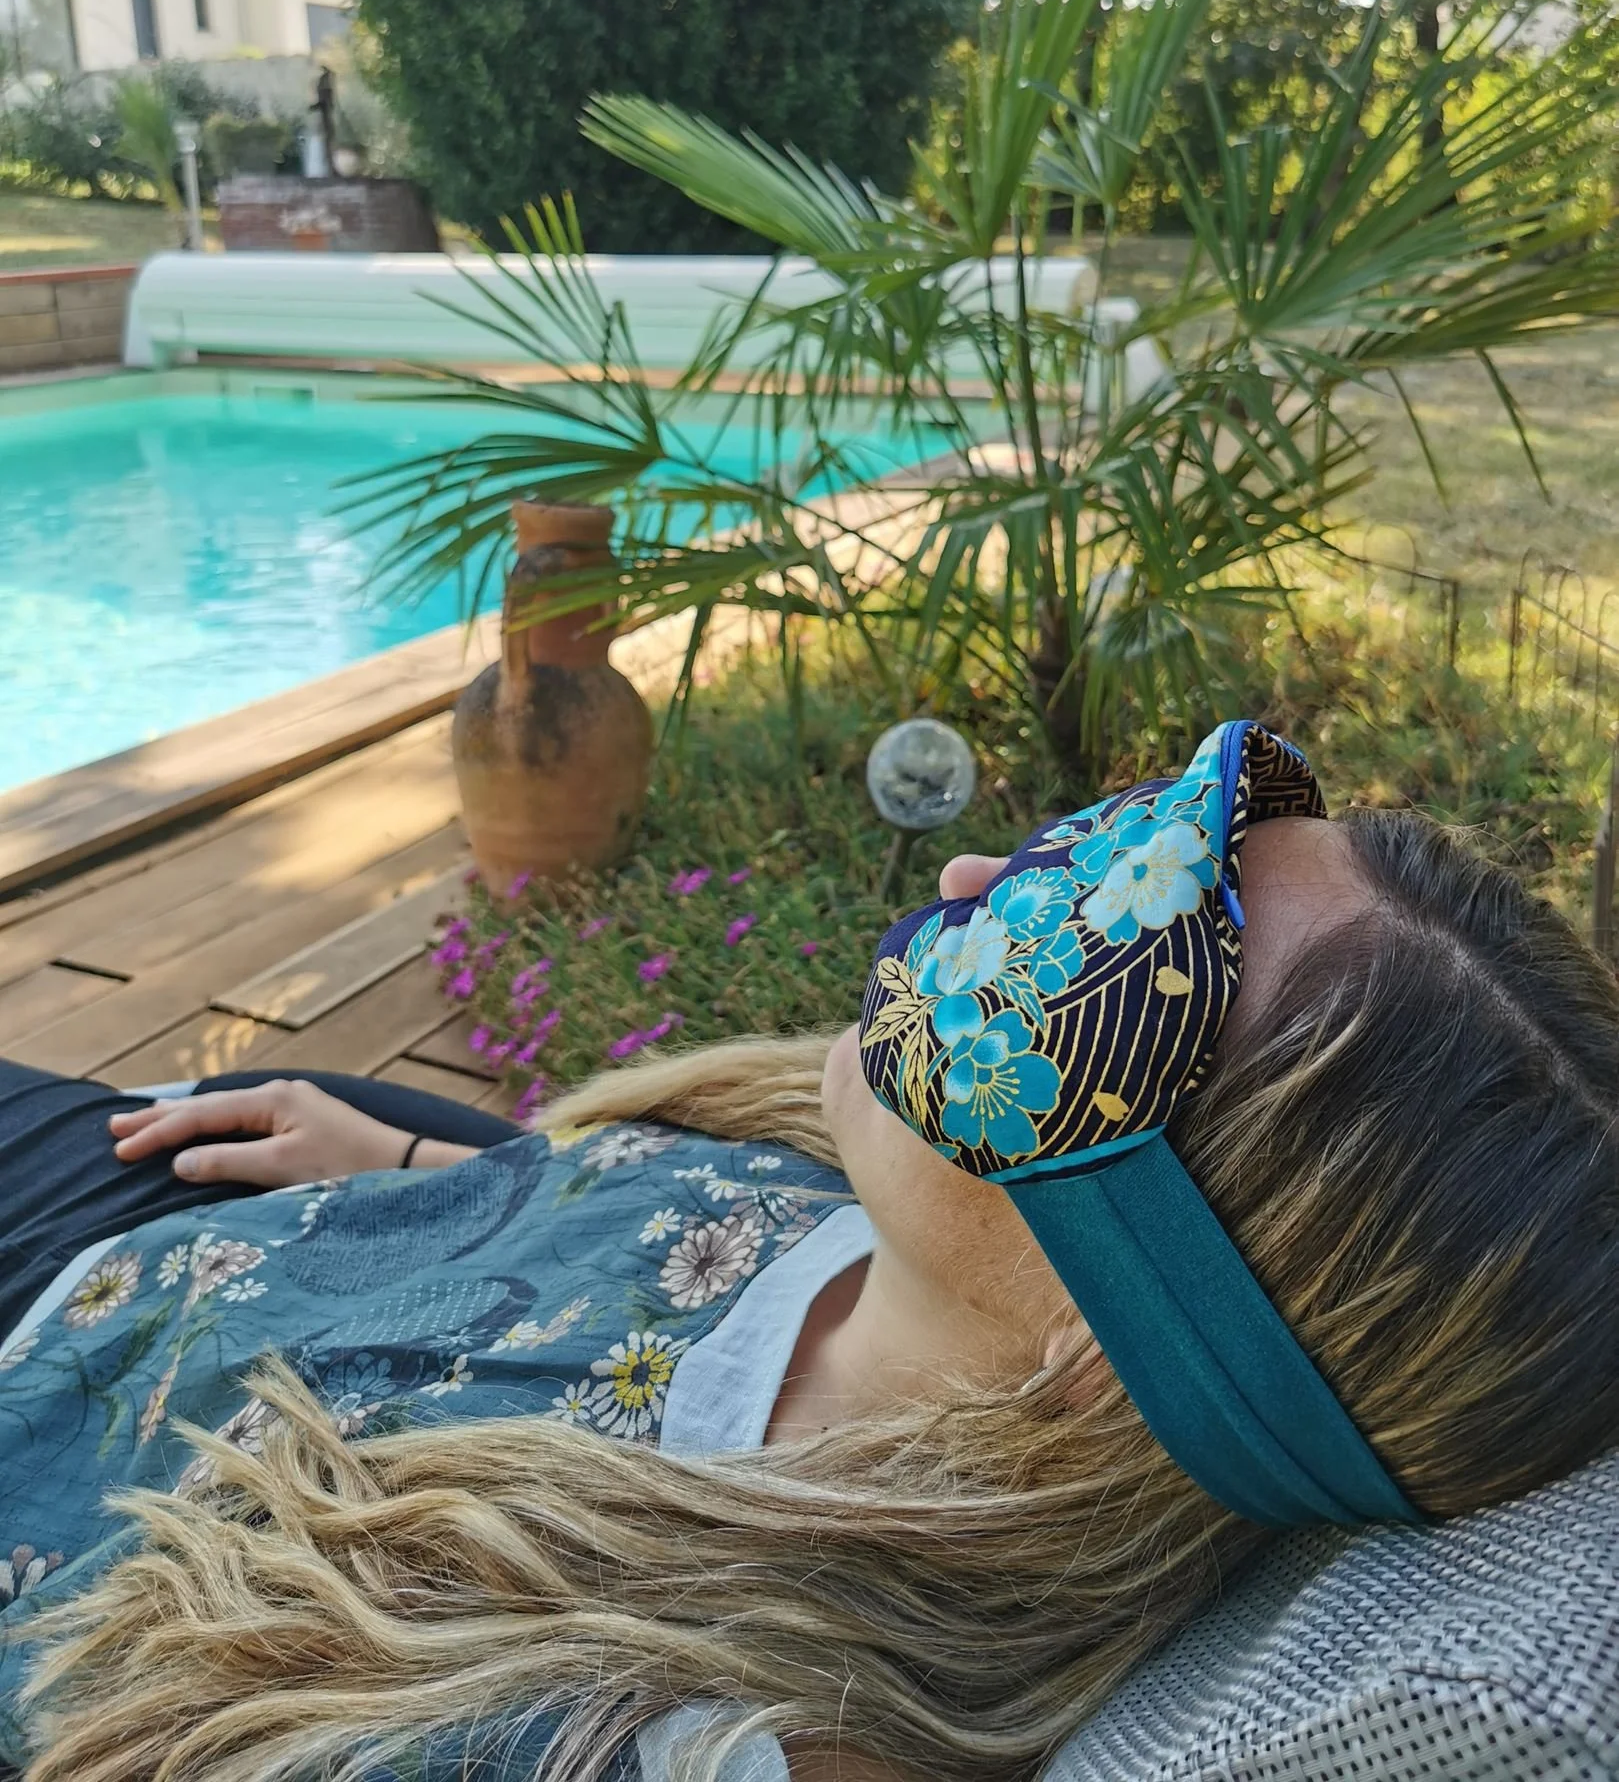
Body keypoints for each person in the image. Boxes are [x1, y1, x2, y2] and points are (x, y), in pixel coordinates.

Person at [0, 720, 1615, 1782]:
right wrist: (432, 1168)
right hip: (231, 1215)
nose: (974, 884)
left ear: (1118, 1337)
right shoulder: (914, 1264)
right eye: (1099, 856)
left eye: (1067, 973)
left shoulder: (650, 1718)